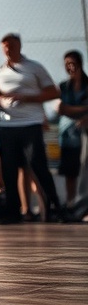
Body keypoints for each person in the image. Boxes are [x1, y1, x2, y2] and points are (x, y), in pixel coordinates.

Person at [0, 33, 63, 223]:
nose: (8, 49)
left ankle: (55, 207)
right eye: (5, 46)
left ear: (20, 46)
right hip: (6, 126)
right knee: (9, 170)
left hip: (30, 124)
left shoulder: (34, 68)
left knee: (37, 165)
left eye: (12, 45)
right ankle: (13, 212)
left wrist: (26, 97)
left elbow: (53, 91)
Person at [56, 50, 87, 205]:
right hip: (68, 134)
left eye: (72, 63)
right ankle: (70, 203)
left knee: (84, 167)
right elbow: (60, 109)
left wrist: (71, 110)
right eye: (67, 64)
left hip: (85, 133)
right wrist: (82, 110)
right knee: (70, 171)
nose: (70, 67)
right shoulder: (63, 87)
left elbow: (65, 108)